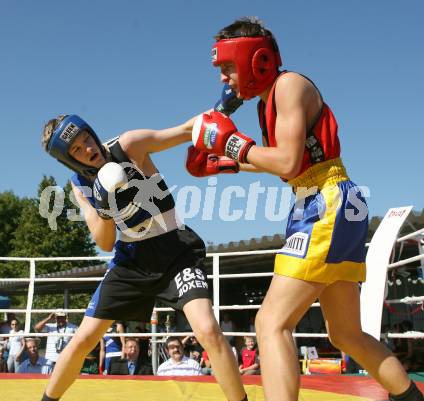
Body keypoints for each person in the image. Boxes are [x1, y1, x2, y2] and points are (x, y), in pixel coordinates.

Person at [190, 16, 424, 401]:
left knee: (270, 322)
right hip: (323, 200)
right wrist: (221, 163)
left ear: (256, 59)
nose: (223, 78)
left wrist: (230, 146)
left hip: (326, 201)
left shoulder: (288, 85)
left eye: (228, 67)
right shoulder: (270, 102)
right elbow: (288, 166)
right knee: (345, 333)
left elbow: (285, 161)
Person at [39, 113, 247, 401]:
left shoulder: (128, 145)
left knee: (208, 330)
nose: (88, 148)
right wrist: (104, 205)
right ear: (70, 159)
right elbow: (105, 241)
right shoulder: (80, 184)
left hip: (175, 251)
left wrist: (223, 114)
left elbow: (186, 130)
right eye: (76, 149)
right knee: (83, 339)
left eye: (86, 138)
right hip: (131, 261)